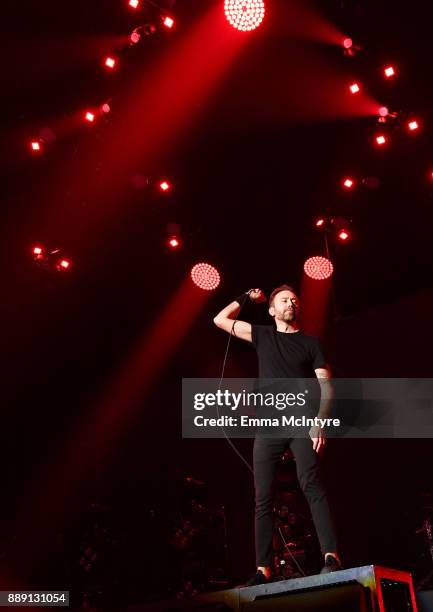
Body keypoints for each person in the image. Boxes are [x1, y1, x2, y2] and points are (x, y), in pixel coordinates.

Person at [213, 285, 342, 585]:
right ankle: (262, 569)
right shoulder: (262, 335)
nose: (291, 303)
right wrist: (245, 297)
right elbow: (219, 319)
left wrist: (319, 422)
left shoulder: (310, 343)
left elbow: (327, 385)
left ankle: (332, 555)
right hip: (268, 424)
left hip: (300, 420)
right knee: (262, 497)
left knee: (311, 483)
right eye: (284, 300)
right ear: (272, 310)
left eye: (295, 300)